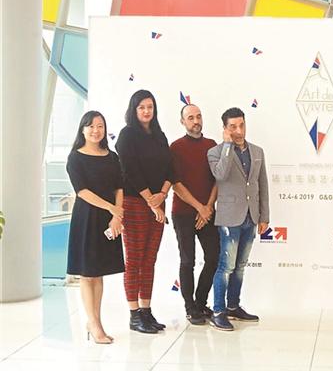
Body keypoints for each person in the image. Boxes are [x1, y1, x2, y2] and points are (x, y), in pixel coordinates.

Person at [116, 89, 174, 334]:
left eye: (150, 106)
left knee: (150, 259)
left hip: (158, 202)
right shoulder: (127, 135)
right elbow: (130, 170)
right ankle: (134, 315)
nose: (146, 111)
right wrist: (151, 200)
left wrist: (162, 195)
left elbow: (171, 169)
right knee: (135, 259)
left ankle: (146, 311)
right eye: (141, 107)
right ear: (134, 109)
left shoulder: (160, 135)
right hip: (134, 202)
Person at [208, 107, 269, 331]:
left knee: (240, 266)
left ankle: (233, 306)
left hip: (251, 216)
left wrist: (264, 216)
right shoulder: (215, 152)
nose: (239, 131)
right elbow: (220, 175)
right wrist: (227, 145)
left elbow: (262, 185)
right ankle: (218, 311)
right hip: (229, 218)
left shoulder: (257, 151)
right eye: (233, 127)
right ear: (225, 128)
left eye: (241, 125)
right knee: (226, 267)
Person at [66, 111, 125, 344]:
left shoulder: (112, 157)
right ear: (82, 129)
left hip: (108, 219)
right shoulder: (75, 158)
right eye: (90, 126)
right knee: (86, 273)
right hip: (86, 218)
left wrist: (117, 215)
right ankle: (93, 322)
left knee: (98, 272)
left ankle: (95, 321)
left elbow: (119, 187)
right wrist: (112, 208)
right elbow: (82, 191)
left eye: (100, 126)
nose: (95, 130)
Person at [170, 104, 219, 325]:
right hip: (183, 214)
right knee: (187, 260)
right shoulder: (175, 147)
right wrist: (200, 207)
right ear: (183, 122)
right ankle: (190, 307)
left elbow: (218, 180)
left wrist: (207, 207)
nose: (196, 121)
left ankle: (200, 303)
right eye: (190, 117)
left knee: (213, 257)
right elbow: (176, 184)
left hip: (207, 212)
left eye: (198, 116)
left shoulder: (212, 146)